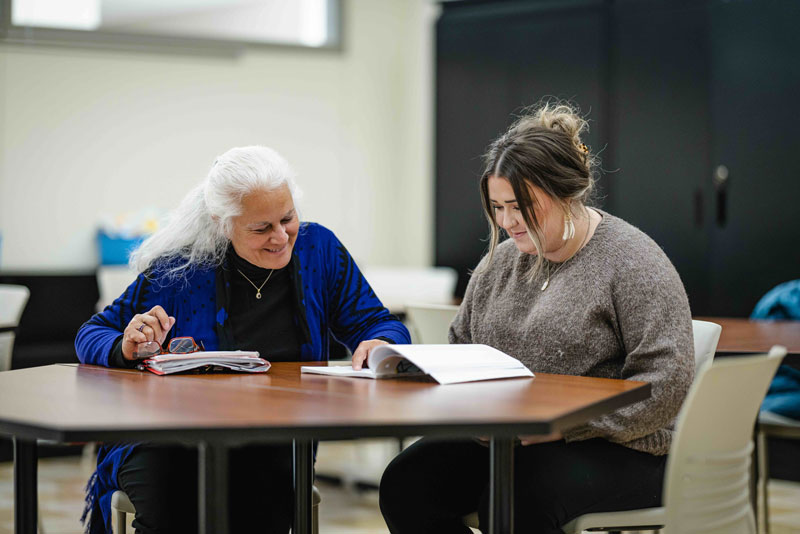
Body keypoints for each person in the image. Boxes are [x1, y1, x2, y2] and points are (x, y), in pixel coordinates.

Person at [379, 102, 694, 533]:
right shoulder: (500, 264)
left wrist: (566, 429)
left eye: (520, 206)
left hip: (624, 446)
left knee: (514, 499)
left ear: (565, 194)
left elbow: (665, 385)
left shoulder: (632, 263)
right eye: (497, 207)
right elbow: (461, 345)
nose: (507, 221)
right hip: (510, 439)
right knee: (406, 484)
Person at [75, 145, 410, 534]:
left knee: (259, 502)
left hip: (274, 439)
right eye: (261, 228)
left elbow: (379, 323)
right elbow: (92, 333)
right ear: (223, 223)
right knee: (174, 504)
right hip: (170, 438)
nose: (281, 237)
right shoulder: (183, 267)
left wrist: (379, 341)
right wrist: (125, 345)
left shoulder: (319, 250)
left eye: (287, 218)